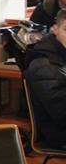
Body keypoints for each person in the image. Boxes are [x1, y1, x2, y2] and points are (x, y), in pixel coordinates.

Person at [24, 10, 66, 149]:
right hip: (59, 135)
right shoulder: (44, 65)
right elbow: (62, 114)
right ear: (55, 29)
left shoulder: (60, 54)